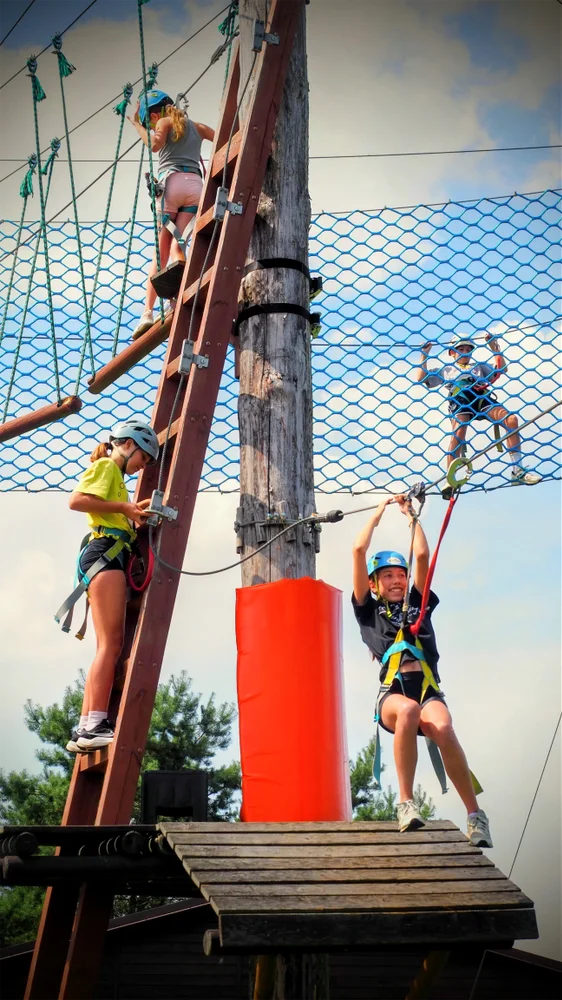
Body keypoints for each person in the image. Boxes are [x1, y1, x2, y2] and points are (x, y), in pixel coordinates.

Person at [352, 494, 493, 847]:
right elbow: (358, 551)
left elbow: (422, 556)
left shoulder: (417, 604)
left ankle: (475, 815)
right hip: (394, 691)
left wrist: (411, 517)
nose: (397, 581)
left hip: (427, 686)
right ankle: (406, 802)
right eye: (388, 576)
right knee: (408, 710)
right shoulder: (368, 610)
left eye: (401, 575)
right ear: (374, 584)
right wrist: (378, 514)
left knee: (443, 727)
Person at [65, 420, 159, 753]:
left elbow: (108, 512)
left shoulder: (116, 478)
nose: (142, 466)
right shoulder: (107, 467)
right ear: (128, 444)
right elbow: (77, 501)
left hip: (109, 553)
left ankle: (85, 727)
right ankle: (94, 726)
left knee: (106, 646)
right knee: (110, 645)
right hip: (105, 554)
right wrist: (122, 507)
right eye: (143, 458)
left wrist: (132, 514)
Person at [127, 89, 215, 338]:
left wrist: (137, 125)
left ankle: (147, 312)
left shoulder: (163, 123)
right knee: (179, 243)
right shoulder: (197, 127)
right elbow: (222, 139)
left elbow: (154, 145)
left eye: (149, 122)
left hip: (171, 183)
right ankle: (176, 297)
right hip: (195, 187)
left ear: (154, 115)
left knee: (161, 249)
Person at [417, 335, 541, 495]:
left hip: (480, 397)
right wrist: (424, 354)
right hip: (461, 399)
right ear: (452, 352)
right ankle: (450, 478)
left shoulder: (479, 367)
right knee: (458, 433)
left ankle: (517, 470)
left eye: (468, 350)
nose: (465, 352)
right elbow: (421, 378)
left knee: (511, 419)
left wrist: (494, 347)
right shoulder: (446, 370)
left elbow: (502, 369)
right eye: (461, 349)